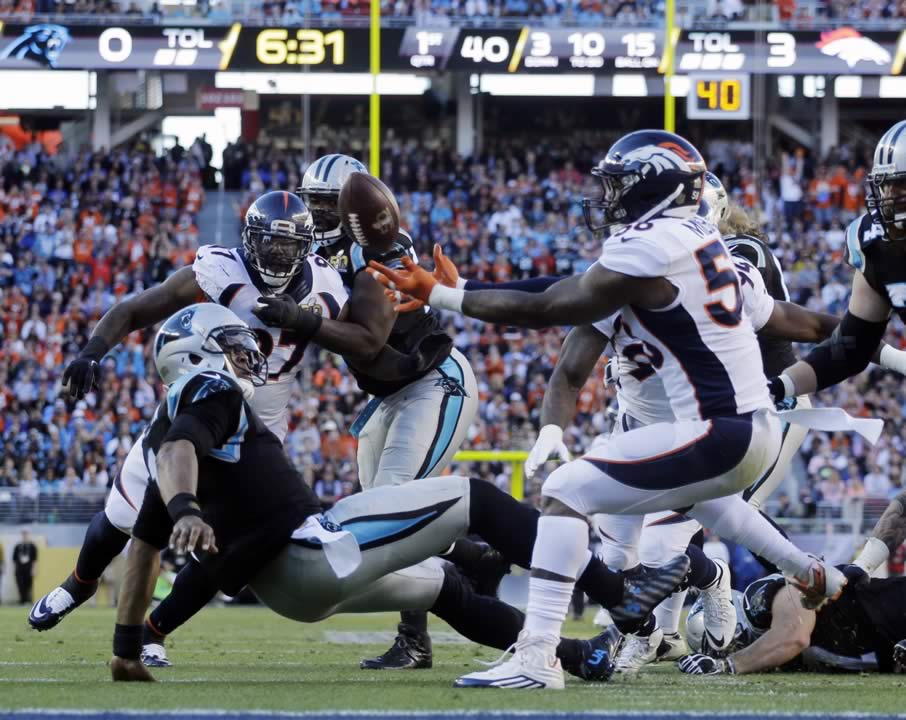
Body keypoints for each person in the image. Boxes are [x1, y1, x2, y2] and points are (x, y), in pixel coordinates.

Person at [371, 130, 856, 690]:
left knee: (569, 489)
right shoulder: (701, 242)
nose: (607, 198)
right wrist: (865, 335)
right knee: (711, 507)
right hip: (748, 432)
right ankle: (809, 570)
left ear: (655, 188)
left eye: (619, 185)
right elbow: (792, 319)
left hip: (718, 430)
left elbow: (556, 304)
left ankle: (537, 654)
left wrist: (442, 295)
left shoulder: (653, 244)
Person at [108, 302, 692, 684]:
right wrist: (186, 506)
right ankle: (620, 593)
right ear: (195, 355)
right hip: (314, 553)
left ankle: (572, 655)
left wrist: (129, 645)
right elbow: (180, 447)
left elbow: (141, 548)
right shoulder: (205, 392)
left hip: (290, 589)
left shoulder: (165, 437)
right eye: (232, 343)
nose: (249, 355)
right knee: (477, 498)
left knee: (444, 589)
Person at [29, 191, 355, 667]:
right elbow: (136, 309)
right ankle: (78, 583)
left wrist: (310, 320)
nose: (279, 256)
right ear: (249, 239)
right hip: (194, 408)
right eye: (270, 244)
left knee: (223, 550)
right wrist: (92, 350)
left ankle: (152, 632)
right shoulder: (218, 270)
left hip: (257, 431)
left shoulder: (325, 286)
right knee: (124, 514)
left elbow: (360, 339)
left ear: (306, 247)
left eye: (289, 246)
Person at [295, 155, 481, 671]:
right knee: (373, 515)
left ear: (354, 211)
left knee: (392, 511)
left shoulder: (381, 248)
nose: (314, 217)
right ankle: (477, 554)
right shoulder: (317, 252)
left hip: (433, 383)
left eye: (325, 207)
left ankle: (417, 637)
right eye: (310, 205)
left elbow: (370, 331)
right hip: (388, 396)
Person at [769, 120, 906, 583]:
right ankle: (861, 574)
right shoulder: (876, 246)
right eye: (886, 188)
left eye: (902, 188)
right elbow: (851, 346)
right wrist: (781, 386)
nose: (890, 200)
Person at [679, 567, 906, 675]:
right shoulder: (769, 647)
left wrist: (726, 666)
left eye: (727, 642)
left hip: (895, 609)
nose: (731, 648)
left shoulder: (763, 596)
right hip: (888, 645)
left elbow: (794, 636)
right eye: (722, 651)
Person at [13, 529, 38, 605]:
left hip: (28, 568)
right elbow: (14, 559)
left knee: (28, 584)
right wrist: (15, 569)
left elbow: (35, 559)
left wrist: (34, 569)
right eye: (23, 535)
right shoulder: (18, 546)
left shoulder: (32, 546)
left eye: (26, 535)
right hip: (19, 568)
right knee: (20, 584)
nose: (24, 536)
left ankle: (27, 601)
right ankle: (22, 601)